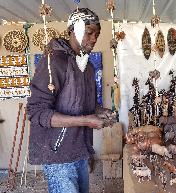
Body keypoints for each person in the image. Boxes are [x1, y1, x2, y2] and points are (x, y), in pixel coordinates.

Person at [27, 8, 116, 193]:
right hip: (57, 153)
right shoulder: (54, 61)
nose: (94, 39)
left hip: (80, 149)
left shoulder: (88, 66)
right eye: (89, 33)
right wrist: (86, 121)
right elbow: (37, 112)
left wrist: (99, 111)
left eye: (97, 34)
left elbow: (80, 104)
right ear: (73, 31)